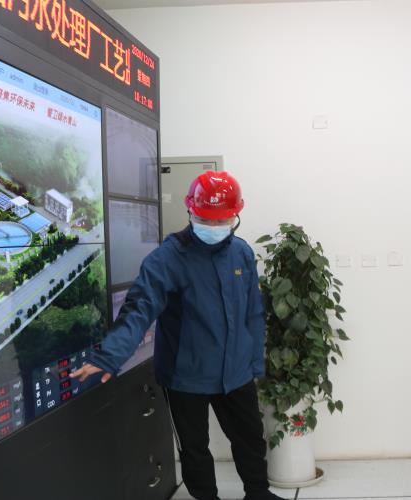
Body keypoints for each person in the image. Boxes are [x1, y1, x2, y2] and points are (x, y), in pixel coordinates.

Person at [71, 171, 285, 500]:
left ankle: (258, 493)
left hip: (236, 370)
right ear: (191, 212)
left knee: (250, 438)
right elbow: (139, 309)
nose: (214, 226)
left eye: (222, 220)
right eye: (206, 219)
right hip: (186, 374)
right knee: (194, 448)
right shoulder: (168, 258)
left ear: (235, 216)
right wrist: (109, 356)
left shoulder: (241, 253)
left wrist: (255, 363)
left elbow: (253, 314)